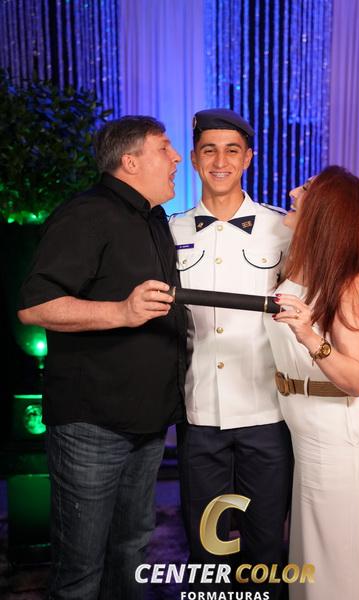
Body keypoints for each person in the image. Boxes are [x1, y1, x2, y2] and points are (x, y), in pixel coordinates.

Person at [17, 116, 186, 600]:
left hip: (146, 422)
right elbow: (35, 306)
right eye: (164, 148)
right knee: (81, 570)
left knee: (131, 551)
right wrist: (121, 311)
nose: (177, 157)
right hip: (92, 424)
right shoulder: (86, 214)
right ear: (130, 162)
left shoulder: (153, 218)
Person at [169, 108, 293, 596]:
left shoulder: (283, 229)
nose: (220, 161)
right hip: (200, 411)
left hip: (267, 411)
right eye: (209, 150)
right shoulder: (170, 230)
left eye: (231, 151)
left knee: (265, 549)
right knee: (207, 551)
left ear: (248, 159)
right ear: (195, 159)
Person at [265, 165, 359, 600]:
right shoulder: (300, 263)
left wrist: (308, 334)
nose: (293, 191)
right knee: (308, 564)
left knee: (335, 570)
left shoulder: (353, 283)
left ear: (326, 210)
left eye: (306, 188)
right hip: (308, 432)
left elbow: (358, 378)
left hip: (342, 434)